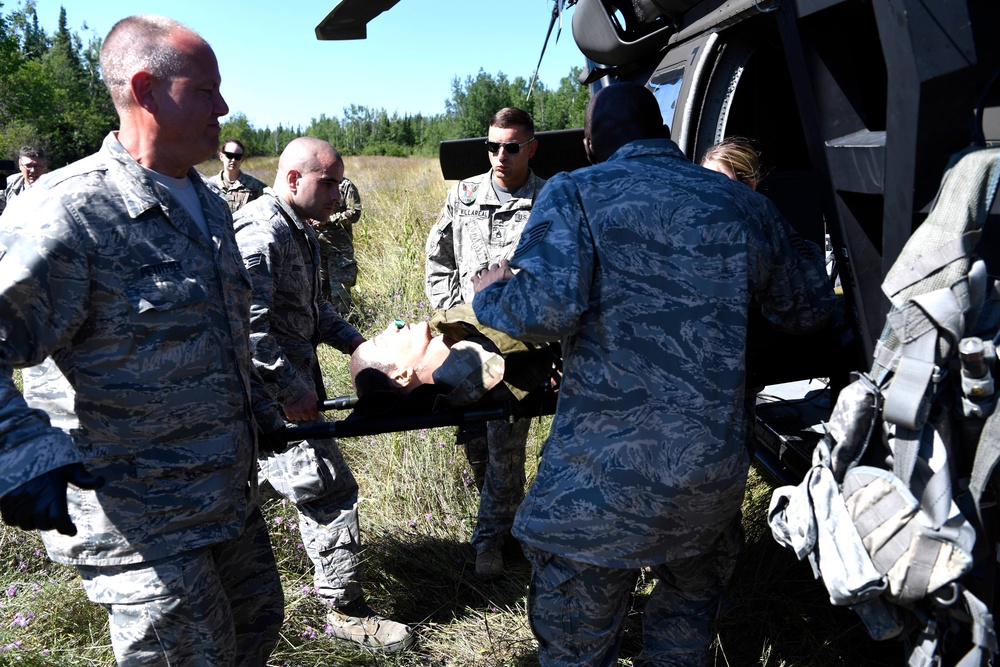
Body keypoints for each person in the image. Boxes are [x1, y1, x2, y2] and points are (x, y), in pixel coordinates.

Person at [471, 82, 838, 667]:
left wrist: (491, 292)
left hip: (600, 487)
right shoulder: (739, 202)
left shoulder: (574, 192)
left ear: (591, 144)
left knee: (577, 649)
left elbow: (541, 312)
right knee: (685, 627)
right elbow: (810, 308)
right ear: (664, 133)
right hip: (706, 482)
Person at [0, 15, 286, 667]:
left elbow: (217, 334)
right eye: (207, 89)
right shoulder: (70, 213)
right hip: (138, 521)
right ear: (145, 89)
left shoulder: (209, 206)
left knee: (257, 624)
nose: (224, 106)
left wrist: (263, 412)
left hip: (223, 498)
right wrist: (18, 450)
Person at [233, 136, 414, 654]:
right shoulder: (261, 232)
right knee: (329, 490)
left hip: (285, 394)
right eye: (329, 182)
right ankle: (344, 612)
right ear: (294, 180)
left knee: (249, 490)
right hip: (268, 399)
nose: (339, 193)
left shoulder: (302, 231)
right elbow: (248, 326)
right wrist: (290, 390)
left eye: (339, 182)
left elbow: (311, 312)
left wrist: (362, 345)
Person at [424, 107, 546, 578]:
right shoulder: (465, 194)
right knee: (476, 438)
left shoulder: (550, 198)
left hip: (522, 347)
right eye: (493, 146)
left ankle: (494, 540)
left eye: (511, 147)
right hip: (468, 342)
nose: (500, 155)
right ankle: (505, 527)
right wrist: (448, 316)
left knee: (508, 441)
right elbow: (439, 257)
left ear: (530, 148)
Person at [348, 304, 560, 411]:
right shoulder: (476, 365)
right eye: (383, 341)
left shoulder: (459, 349)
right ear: (402, 376)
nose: (393, 325)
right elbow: (544, 314)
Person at [310, 176, 362, 316]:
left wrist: (328, 220)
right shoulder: (313, 182)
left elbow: (355, 213)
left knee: (341, 292)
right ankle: (325, 326)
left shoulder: (345, 186)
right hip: (317, 246)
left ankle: (348, 327)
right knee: (320, 289)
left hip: (339, 249)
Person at [210, 137, 267, 213]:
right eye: (229, 155)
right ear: (221, 156)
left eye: (238, 157)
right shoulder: (210, 185)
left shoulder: (254, 186)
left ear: (242, 159)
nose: (233, 160)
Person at [0, 146, 47, 215]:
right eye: (28, 166)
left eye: (38, 166)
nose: (33, 170)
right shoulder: (10, 183)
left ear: (45, 166)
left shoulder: (55, 186)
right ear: (20, 165)